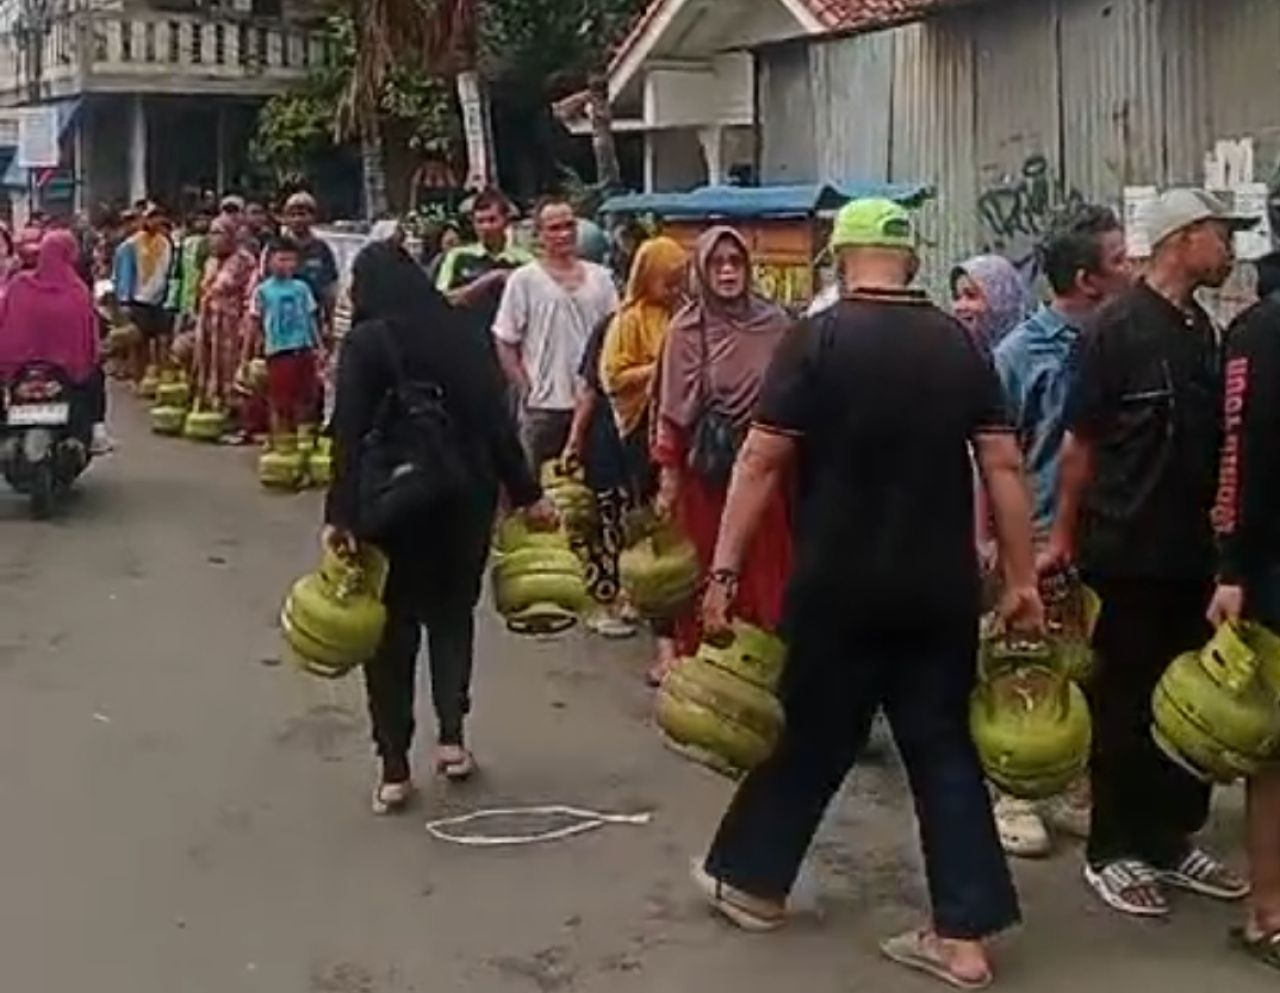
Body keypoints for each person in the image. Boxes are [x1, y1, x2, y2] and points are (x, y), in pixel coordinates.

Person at [693, 199, 1041, 989]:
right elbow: (1005, 469)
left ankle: (752, 883)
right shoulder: (957, 344)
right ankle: (964, 936)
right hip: (939, 589)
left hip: (837, 585)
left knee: (813, 734)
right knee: (944, 747)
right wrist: (1021, 579)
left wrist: (722, 572)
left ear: (841, 257)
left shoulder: (816, 338)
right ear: (908, 259)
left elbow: (759, 461)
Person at [1041, 188, 1253, 918]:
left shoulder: (1204, 329)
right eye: (1221, 235)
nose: (1231, 250)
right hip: (1124, 551)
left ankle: (1169, 836)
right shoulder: (1115, 329)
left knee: (1186, 703)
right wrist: (1062, 538)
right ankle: (1113, 847)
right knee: (1123, 701)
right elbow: (1080, 444)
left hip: (1194, 555)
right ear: (1181, 239)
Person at [323, 241, 555, 812]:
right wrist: (527, 494)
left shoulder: (367, 342)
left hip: (391, 508)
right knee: (452, 618)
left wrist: (341, 516)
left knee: (389, 635)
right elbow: (496, 424)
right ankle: (452, 740)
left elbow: (347, 432)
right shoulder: (459, 333)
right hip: (463, 500)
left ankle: (394, 768)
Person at [985, 206, 1134, 858]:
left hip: (1110, 530)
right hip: (1038, 531)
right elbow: (990, 453)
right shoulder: (1020, 354)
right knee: (1026, 663)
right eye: (1120, 258)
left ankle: (1073, 785)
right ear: (1086, 279)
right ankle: (1013, 792)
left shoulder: (1125, 339)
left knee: (1087, 660)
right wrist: (992, 535)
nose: (1133, 267)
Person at [653, 226, 791, 658]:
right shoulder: (686, 330)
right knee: (708, 567)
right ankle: (706, 672)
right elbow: (670, 410)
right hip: (707, 476)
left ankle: (763, 670)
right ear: (701, 271)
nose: (728, 272)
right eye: (717, 263)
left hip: (768, 471)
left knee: (767, 567)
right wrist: (669, 477)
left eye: (735, 263)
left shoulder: (776, 324)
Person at [1206, 250, 1280, 968]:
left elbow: (1241, 450)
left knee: (1273, 750)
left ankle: (1271, 911)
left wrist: (1231, 563)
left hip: (1273, 567)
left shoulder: (1258, 330)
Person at [587, 235, 688, 666]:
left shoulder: (684, 314)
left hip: (680, 425)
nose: (676, 285)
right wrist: (663, 364)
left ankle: (669, 600)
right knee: (646, 516)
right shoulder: (628, 321)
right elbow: (612, 378)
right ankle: (644, 595)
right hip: (640, 428)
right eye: (669, 278)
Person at [493, 195, 619, 469]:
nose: (564, 234)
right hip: (543, 407)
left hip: (594, 407)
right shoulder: (523, 281)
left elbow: (614, 336)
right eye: (554, 228)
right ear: (538, 235)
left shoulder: (602, 279)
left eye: (569, 226)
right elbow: (505, 339)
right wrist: (525, 387)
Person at [0, 231, 104, 447]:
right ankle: (96, 431)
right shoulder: (77, 290)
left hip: (19, 367)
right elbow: (89, 333)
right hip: (65, 367)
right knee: (94, 377)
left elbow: (4, 320)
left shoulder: (19, 285)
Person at [246, 238, 321, 442]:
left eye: (291, 260)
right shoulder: (263, 291)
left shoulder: (302, 288)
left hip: (303, 349)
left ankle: (301, 442)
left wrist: (319, 347)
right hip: (278, 352)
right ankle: (279, 441)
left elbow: (311, 319)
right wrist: (248, 355)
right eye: (281, 259)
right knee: (280, 402)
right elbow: (254, 323)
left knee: (305, 400)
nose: (286, 264)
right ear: (270, 261)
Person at [193, 215, 257, 426]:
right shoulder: (210, 262)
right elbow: (203, 290)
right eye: (212, 233)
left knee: (233, 366)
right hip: (210, 321)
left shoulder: (245, 261)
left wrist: (247, 325)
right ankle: (214, 404)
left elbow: (251, 296)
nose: (214, 238)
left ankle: (238, 415)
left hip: (234, 323)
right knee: (210, 362)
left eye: (219, 233)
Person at [437, 189, 531, 322]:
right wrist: (488, 280)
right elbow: (442, 300)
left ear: (506, 221)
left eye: (492, 220)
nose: (485, 227)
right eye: (480, 221)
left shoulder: (524, 260)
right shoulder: (458, 256)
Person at [113, 204, 176, 384]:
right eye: (151, 217)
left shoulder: (166, 243)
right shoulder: (130, 245)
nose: (155, 221)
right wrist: (124, 301)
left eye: (158, 217)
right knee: (139, 342)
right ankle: (138, 378)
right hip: (138, 300)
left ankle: (162, 378)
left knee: (163, 340)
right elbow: (124, 275)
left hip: (162, 300)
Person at [281, 192, 339, 337]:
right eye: (292, 215)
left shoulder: (322, 249)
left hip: (312, 320)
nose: (298, 219)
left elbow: (329, 289)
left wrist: (329, 322)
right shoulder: (276, 246)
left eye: (303, 214)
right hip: (281, 319)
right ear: (286, 218)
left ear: (313, 217)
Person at [951, 254, 1030, 353]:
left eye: (971, 295)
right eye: (956, 297)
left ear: (1000, 300)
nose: (959, 307)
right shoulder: (953, 356)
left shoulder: (1030, 357)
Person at [171, 208, 213, 332]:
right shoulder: (185, 243)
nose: (203, 222)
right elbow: (176, 271)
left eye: (206, 219)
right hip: (186, 295)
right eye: (199, 219)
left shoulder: (211, 243)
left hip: (202, 294)